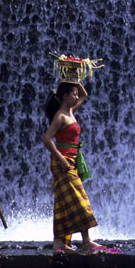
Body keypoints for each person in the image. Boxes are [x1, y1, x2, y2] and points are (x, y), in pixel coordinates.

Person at [43, 82, 99, 253]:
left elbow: (84, 95)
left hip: (71, 161)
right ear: (65, 97)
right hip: (63, 164)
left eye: (75, 94)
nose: (76, 97)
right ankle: (86, 241)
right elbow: (47, 139)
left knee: (62, 204)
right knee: (80, 200)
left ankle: (59, 243)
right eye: (73, 94)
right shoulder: (60, 116)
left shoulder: (71, 112)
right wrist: (61, 159)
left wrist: (75, 80)